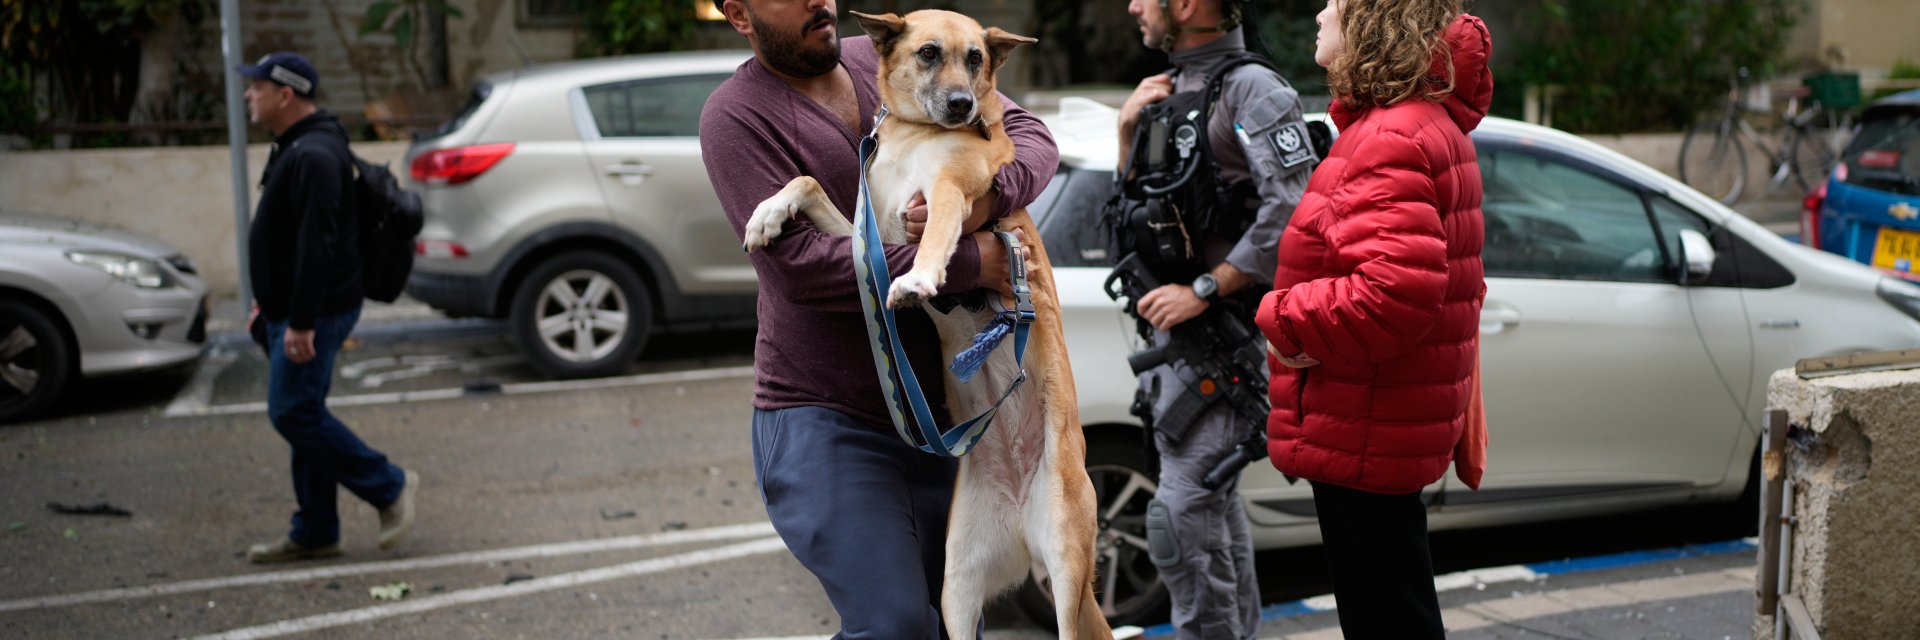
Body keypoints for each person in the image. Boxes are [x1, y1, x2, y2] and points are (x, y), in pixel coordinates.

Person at [697, 0, 1058, 636]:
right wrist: (970, 262)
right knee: (894, 626)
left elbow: (1030, 138)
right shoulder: (734, 116)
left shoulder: (889, 57)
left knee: (956, 623)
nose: (819, 1)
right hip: (826, 416)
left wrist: (982, 203)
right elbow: (804, 269)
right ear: (740, 15)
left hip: (939, 412)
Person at [1254, 1, 1491, 637]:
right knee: (1397, 607)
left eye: (1335, 1)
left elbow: (1396, 292)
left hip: (1367, 420)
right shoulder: (1418, 124)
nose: (1319, 11)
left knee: (1385, 615)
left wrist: (1284, 316)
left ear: (1370, 20)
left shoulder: (1390, 134)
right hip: (1377, 418)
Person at [1112, 0, 1315, 636]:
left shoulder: (1253, 88)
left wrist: (1205, 288)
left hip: (1225, 342)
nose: (1135, 6)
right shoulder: (1168, 88)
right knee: (1212, 516)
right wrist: (1126, 136)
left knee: (1177, 517)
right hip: (1176, 345)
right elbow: (1131, 215)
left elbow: (1294, 211)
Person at [238, 52, 418, 564]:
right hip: (297, 309)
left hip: (312, 314)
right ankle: (317, 529)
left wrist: (298, 321)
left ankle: (390, 487)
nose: (249, 95)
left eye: (257, 87)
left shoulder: (314, 154)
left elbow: (318, 244)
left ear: (285, 94)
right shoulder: (299, 145)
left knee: (292, 411)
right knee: (306, 413)